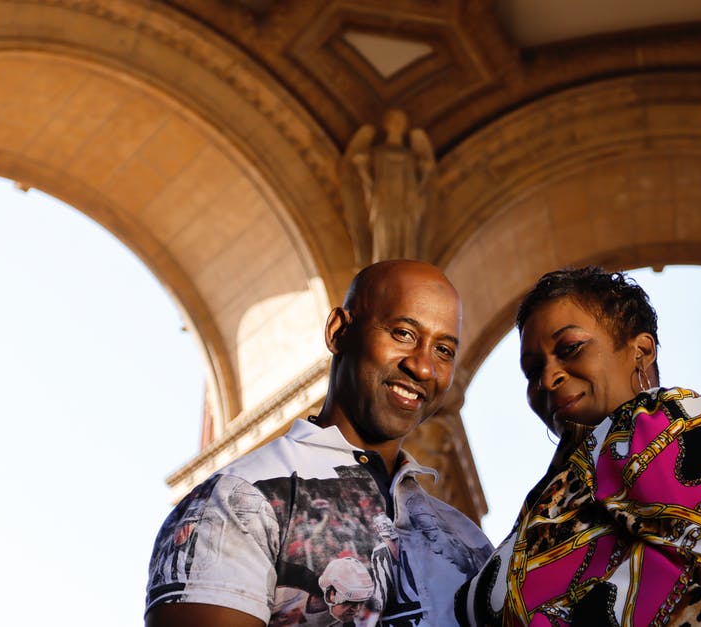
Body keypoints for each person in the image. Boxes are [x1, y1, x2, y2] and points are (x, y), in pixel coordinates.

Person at [145, 259, 493, 627]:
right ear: (338, 332)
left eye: (444, 350)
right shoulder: (239, 501)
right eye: (403, 333)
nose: (423, 367)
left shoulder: (469, 543)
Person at [455, 267, 701, 626]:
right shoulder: (558, 494)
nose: (548, 378)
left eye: (571, 348)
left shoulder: (672, 425)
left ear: (641, 351)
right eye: (533, 370)